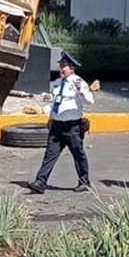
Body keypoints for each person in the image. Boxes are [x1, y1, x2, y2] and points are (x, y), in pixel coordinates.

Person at [28, 52, 94, 194]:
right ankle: (41, 181)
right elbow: (55, 103)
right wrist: (50, 118)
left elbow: (90, 100)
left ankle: (84, 181)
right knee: (50, 154)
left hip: (72, 126)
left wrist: (80, 91)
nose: (61, 69)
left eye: (64, 66)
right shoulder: (57, 84)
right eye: (60, 66)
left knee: (78, 154)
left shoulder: (79, 82)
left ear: (72, 68)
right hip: (57, 125)